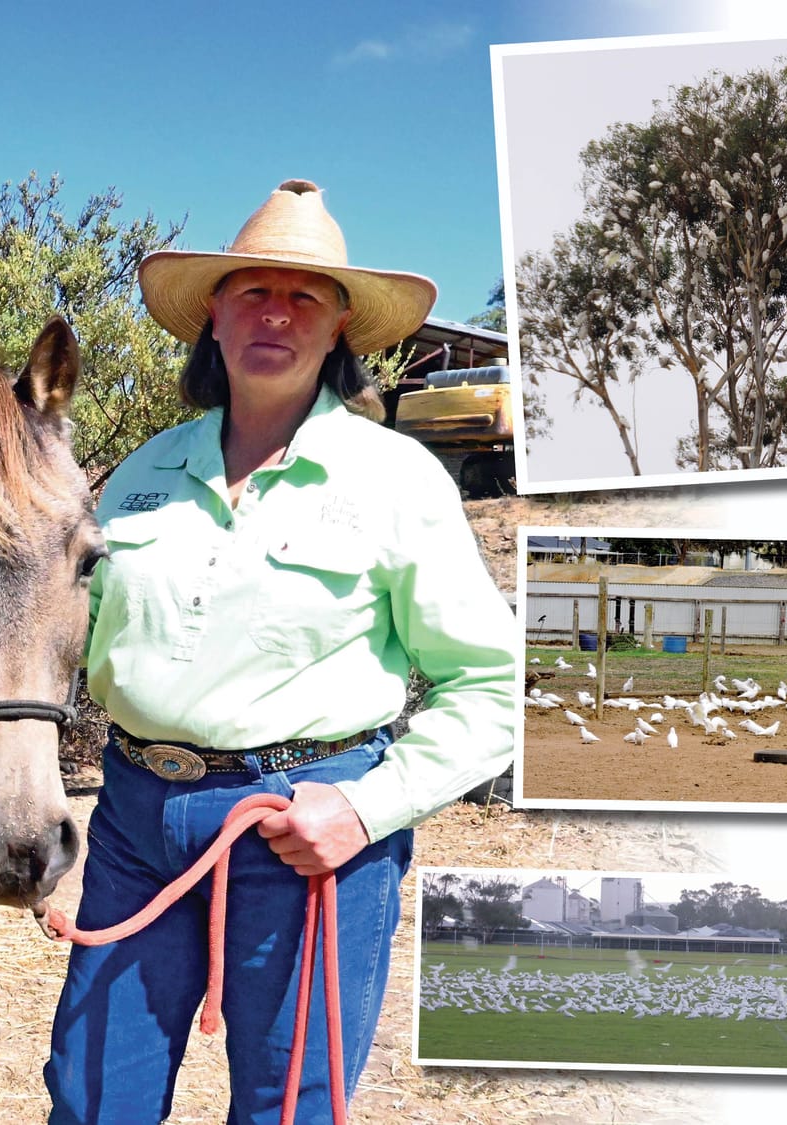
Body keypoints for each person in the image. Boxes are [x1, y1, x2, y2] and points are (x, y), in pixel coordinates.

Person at [44, 180, 517, 1122]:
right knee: (94, 1098)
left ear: (340, 327)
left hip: (303, 832)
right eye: (252, 289)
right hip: (133, 820)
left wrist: (366, 806)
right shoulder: (140, 476)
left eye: (304, 296)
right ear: (212, 316)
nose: (275, 311)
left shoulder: (397, 480)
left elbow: (493, 687)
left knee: (288, 1109)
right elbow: (61, 636)